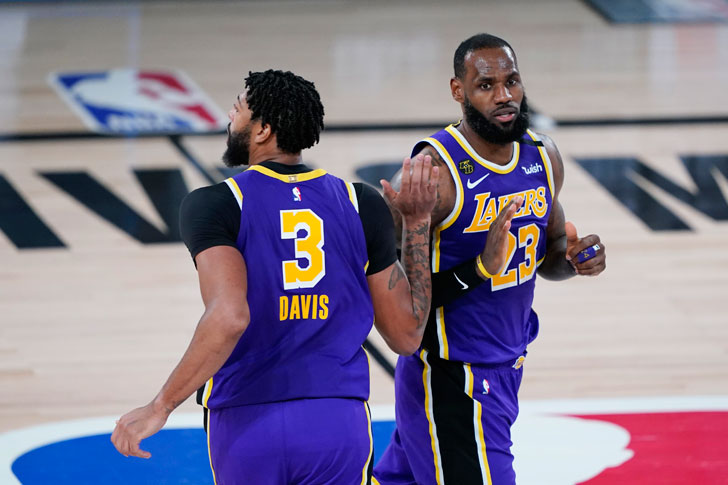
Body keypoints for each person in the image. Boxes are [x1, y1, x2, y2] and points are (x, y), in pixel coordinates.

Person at [111, 69, 440, 485]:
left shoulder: (215, 204)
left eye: (240, 107)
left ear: (263, 130)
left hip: (248, 422)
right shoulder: (361, 203)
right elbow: (407, 336)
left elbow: (229, 316)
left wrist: (161, 405)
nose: (231, 113)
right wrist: (417, 224)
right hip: (337, 419)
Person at [373, 33, 606, 485]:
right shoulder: (431, 174)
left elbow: (551, 254)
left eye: (512, 81)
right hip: (452, 377)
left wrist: (574, 260)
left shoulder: (543, 155)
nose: (504, 96)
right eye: (486, 85)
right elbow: (396, 304)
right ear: (458, 91)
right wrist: (479, 267)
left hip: (507, 365)